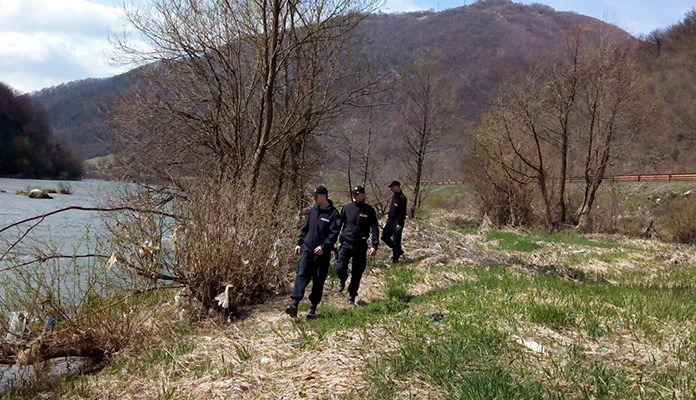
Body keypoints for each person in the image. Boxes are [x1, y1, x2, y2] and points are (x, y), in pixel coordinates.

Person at [286, 185, 341, 319]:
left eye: (316, 197)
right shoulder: (312, 211)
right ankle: (294, 304)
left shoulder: (333, 214)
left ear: (323, 197)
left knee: (318, 280)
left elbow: (333, 234)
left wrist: (324, 247)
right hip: (308, 248)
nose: (314, 199)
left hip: (322, 254)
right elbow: (305, 229)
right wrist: (299, 243)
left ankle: (312, 308)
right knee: (301, 274)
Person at [335, 185, 379, 306]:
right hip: (346, 242)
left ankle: (352, 295)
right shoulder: (346, 208)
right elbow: (338, 224)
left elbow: (375, 228)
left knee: (357, 271)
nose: (355, 196)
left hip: (360, 244)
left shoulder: (369, 210)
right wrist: (334, 239)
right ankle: (342, 279)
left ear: (363, 195)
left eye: (357, 194)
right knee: (340, 268)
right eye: (354, 194)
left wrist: (375, 245)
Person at [381, 180, 407, 263]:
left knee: (396, 240)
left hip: (397, 221)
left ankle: (395, 258)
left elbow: (403, 213)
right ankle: (398, 250)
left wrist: (400, 224)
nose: (391, 189)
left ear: (396, 186)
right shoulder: (394, 196)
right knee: (384, 236)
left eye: (392, 187)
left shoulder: (402, 198)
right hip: (390, 220)